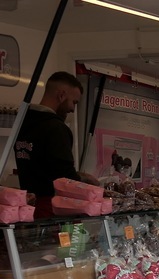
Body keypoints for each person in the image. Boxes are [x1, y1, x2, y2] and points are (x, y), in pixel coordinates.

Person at [15, 71, 99, 218]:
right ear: (61, 95)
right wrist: (86, 181)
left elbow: (46, 166)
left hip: (26, 207)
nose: (73, 109)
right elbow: (64, 177)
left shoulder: (23, 123)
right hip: (52, 209)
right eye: (74, 102)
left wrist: (81, 175)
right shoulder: (56, 128)